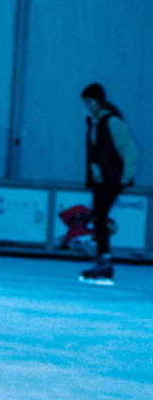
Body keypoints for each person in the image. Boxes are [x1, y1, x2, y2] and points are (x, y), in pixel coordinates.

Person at [79, 82, 138, 285]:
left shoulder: (112, 122)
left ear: (98, 101)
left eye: (89, 101)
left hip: (112, 179)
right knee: (98, 217)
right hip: (102, 179)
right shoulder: (96, 122)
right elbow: (96, 152)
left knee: (100, 216)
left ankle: (104, 262)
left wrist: (124, 177)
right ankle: (103, 261)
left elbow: (129, 150)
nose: (87, 106)